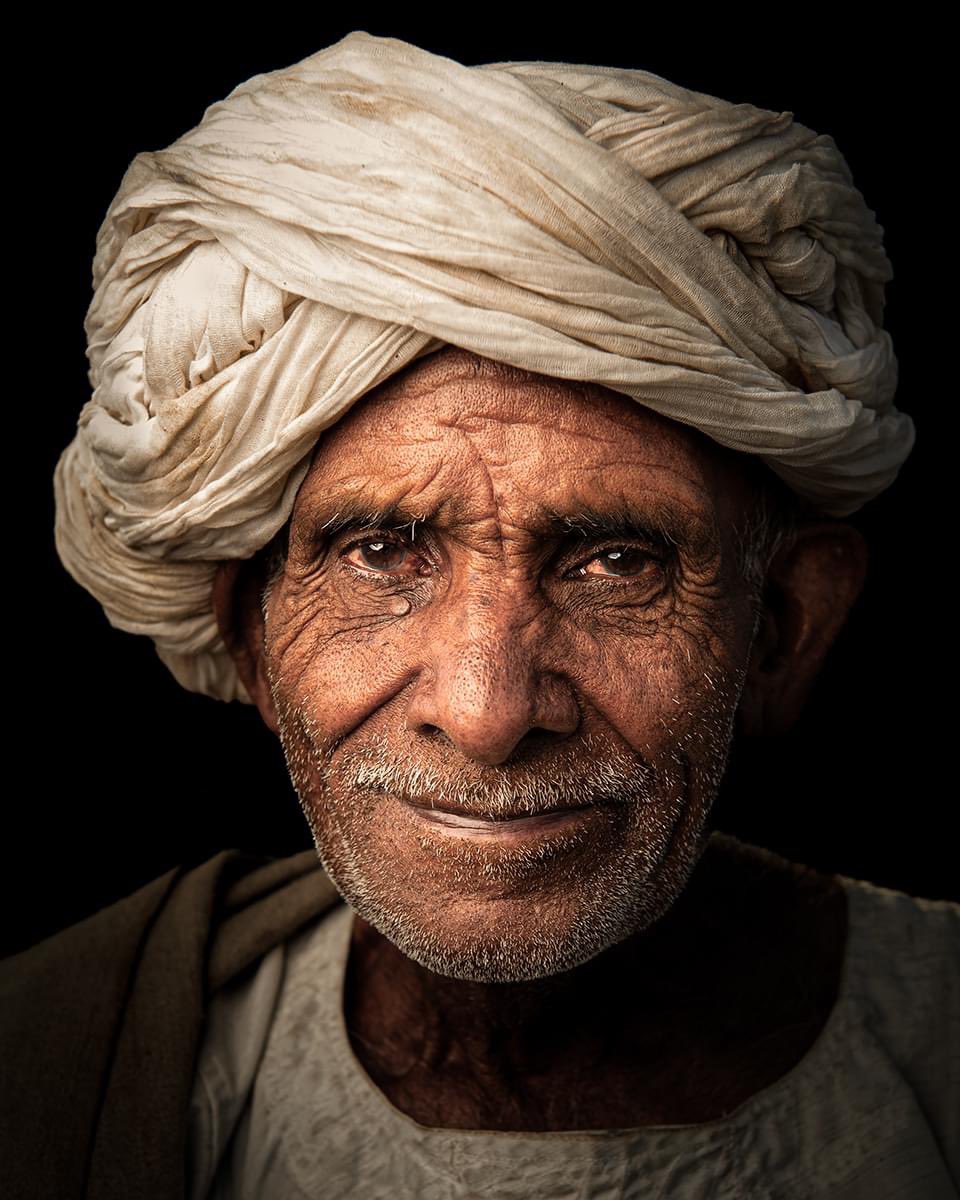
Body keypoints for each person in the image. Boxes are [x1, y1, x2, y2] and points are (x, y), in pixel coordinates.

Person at [3, 29, 956, 1200]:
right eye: (380, 553)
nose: (489, 712)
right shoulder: (53, 1064)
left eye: (614, 562)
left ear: (782, 627)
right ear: (253, 634)